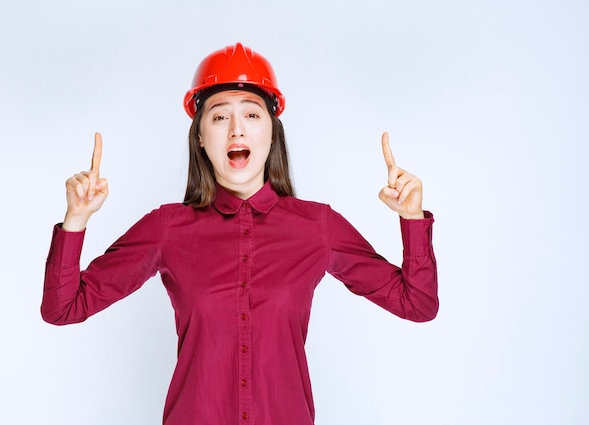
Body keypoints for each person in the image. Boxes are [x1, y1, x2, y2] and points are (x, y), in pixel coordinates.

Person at [42, 42, 438, 425]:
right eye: (218, 116)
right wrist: (76, 219)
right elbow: (63, 308)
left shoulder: (317, 227)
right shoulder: (167, 229)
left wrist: (412, 219)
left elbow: (417, 304)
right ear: (200, 136)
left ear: (272, 132)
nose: (236, 130)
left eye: (251, 115)